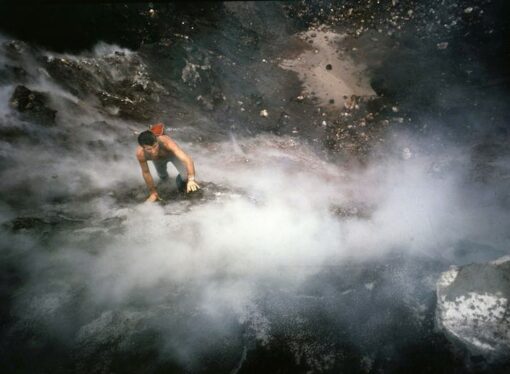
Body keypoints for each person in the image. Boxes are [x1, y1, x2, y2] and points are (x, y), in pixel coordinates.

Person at [136, 124, 200, 202]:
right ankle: (167, 187)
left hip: (172, 155)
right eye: (149, 149)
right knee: (163, 176)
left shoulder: (166, 142)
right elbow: (146, 173)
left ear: (156, 140)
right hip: (157, 161)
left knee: (185, 177)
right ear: (143, 148)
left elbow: (187, 159)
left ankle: (183, 183)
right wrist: (153, 193)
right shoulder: (140, 154)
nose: (153, 151)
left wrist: (191, 179)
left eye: (155, 146)